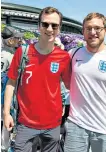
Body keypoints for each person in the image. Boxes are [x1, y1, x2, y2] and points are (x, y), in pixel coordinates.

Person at [4, 7, 70, 152]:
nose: (50, 29)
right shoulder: (23, 52)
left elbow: (70, 86)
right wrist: (6, 113)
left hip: (53, 125)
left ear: (59, 28)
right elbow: (11, 83)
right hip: (25, 124)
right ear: (39, 26)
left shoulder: (64, 57)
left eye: (54, 25)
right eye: (45, 24)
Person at [64, 12, 106, 152]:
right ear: (83, 31)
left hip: (105, 130)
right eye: (88, 28)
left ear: (105, 30)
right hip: (75, 126)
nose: (92, 32)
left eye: (97, 28)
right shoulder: (73, 54)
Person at [1, 27, 25, 151]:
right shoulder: (10, 56)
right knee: (6, 121)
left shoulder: (5, 53)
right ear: (10, 40)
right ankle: (4, 147)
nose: (19, 40)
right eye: (17, 38)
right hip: (4, 94)